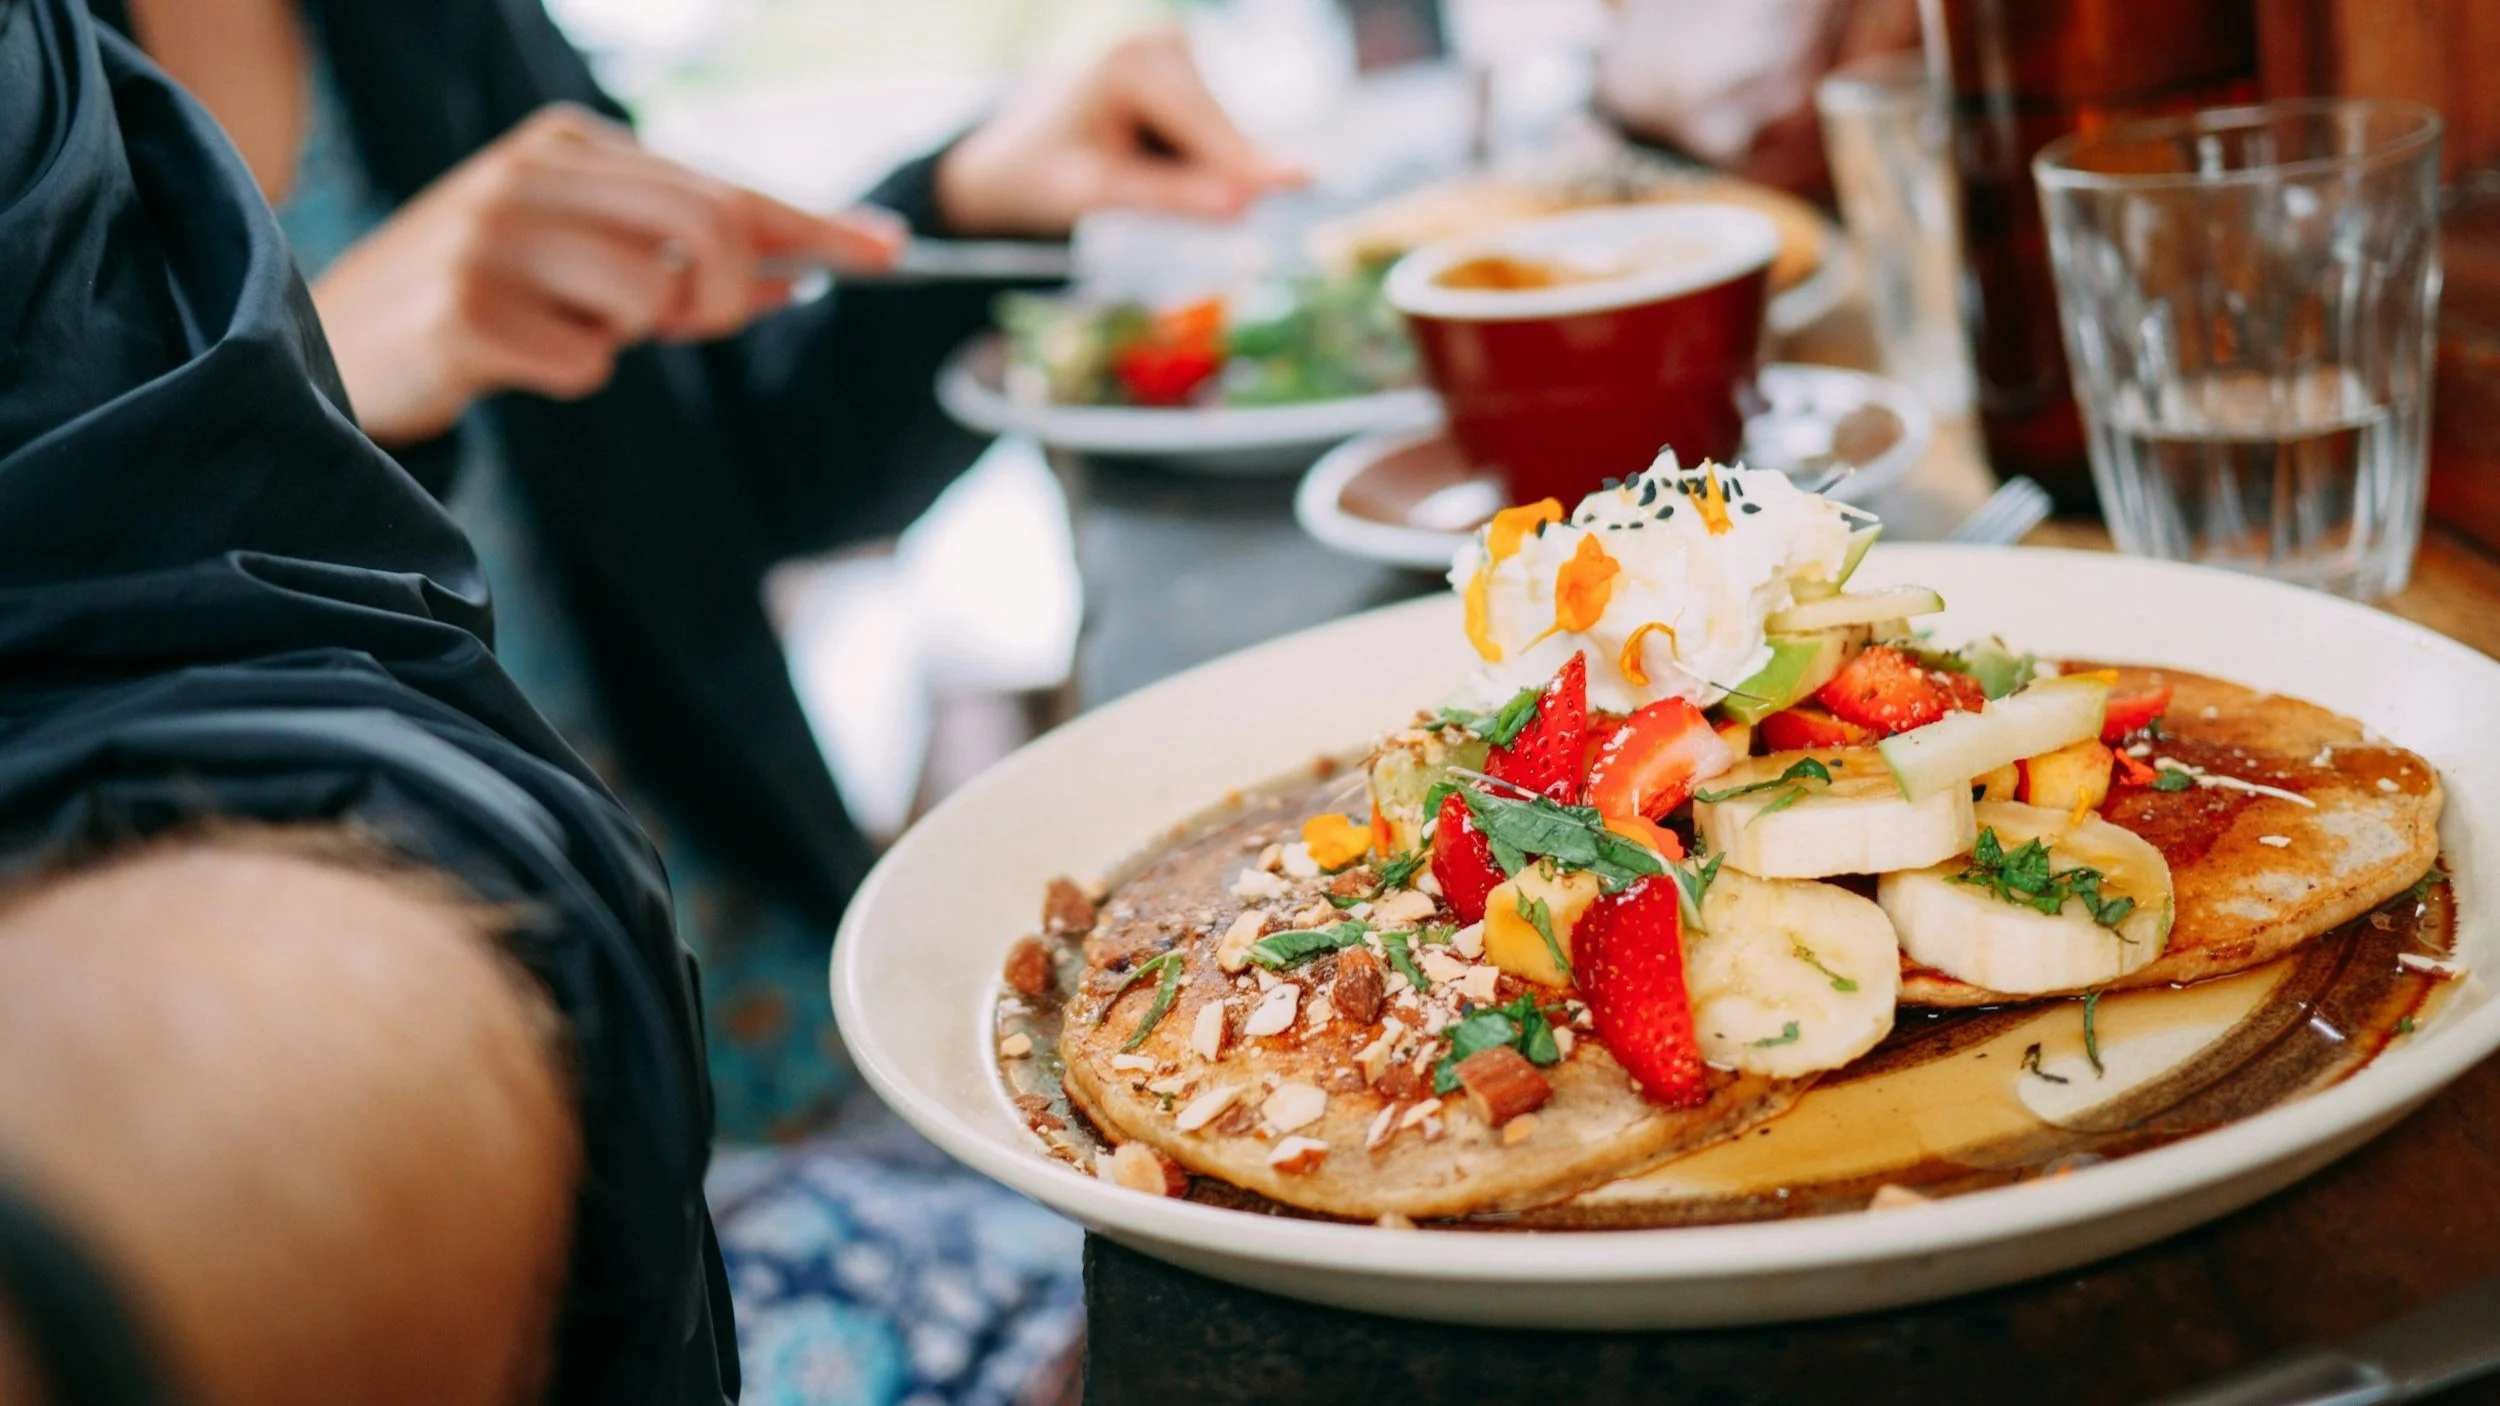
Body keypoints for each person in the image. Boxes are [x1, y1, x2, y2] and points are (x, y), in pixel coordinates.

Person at [92, 0, 1301, 1139]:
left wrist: (974, 202)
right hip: (426, 1186)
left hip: (762, 1017)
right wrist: (301, 394)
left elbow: (702, 475)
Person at [0, 0, 718, 1399]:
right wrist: (333, 381)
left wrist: (963, 208)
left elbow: (719, 468)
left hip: (723, 963)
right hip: (536, 1137)